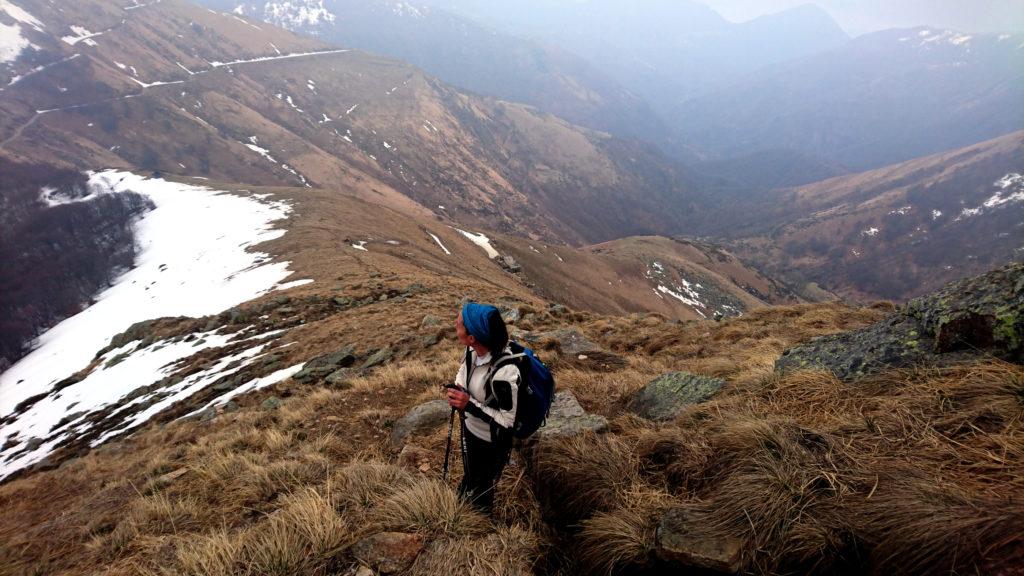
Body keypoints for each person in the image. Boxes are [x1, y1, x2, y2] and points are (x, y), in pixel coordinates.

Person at [445, 302, 520, 514]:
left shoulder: (505, 373)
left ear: (472, 338)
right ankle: (465, 499)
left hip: (492, 442)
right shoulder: (472, 351)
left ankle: (481, 523)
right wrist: (458, 387)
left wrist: (469, 404)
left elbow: (508, 422)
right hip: (471, 430)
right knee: (471, 474)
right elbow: (464, 371)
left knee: (483, 485)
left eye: (459, 323)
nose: (454, 324)